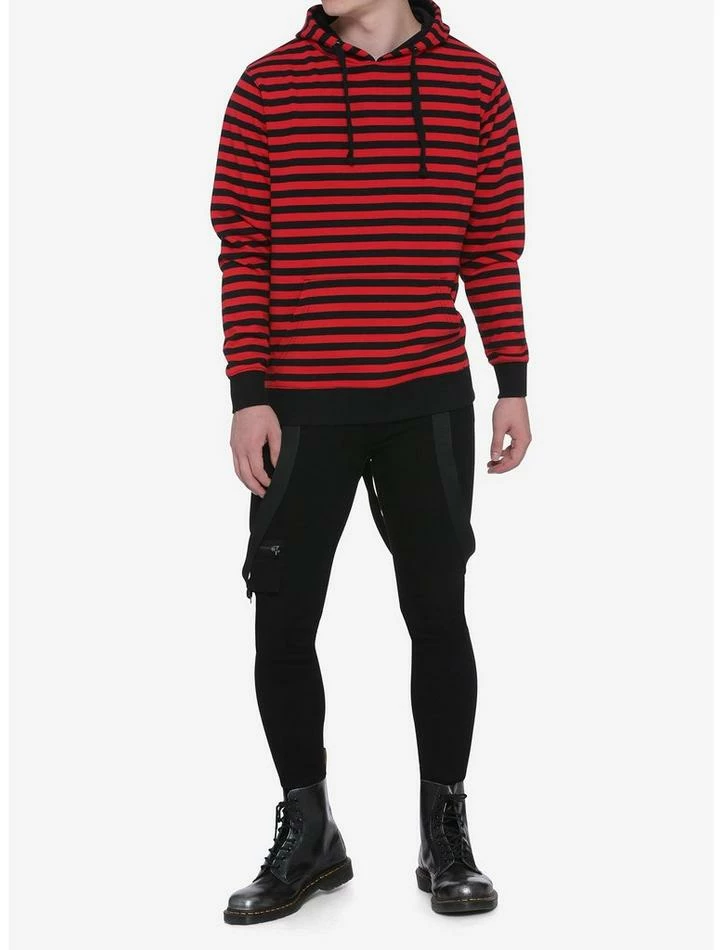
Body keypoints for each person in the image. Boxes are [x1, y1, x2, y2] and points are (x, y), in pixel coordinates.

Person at [210, 0, 531, 924]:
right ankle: (311, 834)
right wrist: (247, 393)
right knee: (282, 619)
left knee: (438, 613)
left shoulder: (474, 82)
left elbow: (491, 247)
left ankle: (445, 832)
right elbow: (244, 248)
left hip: (426, 401)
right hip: (300, 405)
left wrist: (511, 380)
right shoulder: (268, 85)